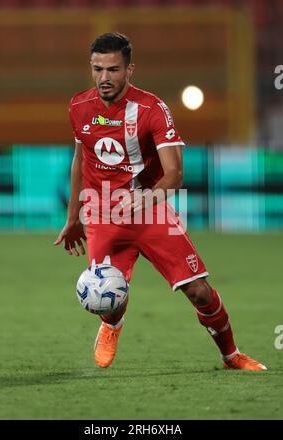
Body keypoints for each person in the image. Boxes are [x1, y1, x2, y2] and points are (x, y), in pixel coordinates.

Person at [55, 32, 266, 371]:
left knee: (198, 291)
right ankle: (111, 325)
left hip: (151, 212)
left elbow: (174, 174)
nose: (103, 78)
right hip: (103, 214)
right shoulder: (79, 106)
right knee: (108, 296)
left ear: (130, 69)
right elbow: (81, 160)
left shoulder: (152, 109)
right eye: (97, 69)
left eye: (112, 70)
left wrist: (146, 200)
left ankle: (231, 355)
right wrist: (73, 217)